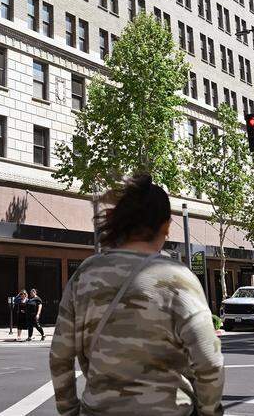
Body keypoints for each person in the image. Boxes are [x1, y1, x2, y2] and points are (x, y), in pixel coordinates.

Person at [50, 174, 224, 416]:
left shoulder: (85, 275)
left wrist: (69, 410)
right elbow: (210, 361)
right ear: (166, 225)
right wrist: (209, 412)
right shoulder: (179, 278)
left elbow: (60, 356)